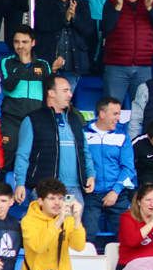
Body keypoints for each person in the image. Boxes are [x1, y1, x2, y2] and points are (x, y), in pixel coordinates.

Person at [14, 74, 95, 206]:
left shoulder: (75, 119)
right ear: (51, 93)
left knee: (70, 226)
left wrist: (91, 174)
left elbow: (85, 150)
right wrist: (20, 183)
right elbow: (23, 155)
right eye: (65, 91)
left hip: (73, 189)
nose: (70, 95)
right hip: (46, 189)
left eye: (70, 90)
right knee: (48, 226)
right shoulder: (33, 119)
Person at [101, 0, 153, 106]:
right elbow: (105, 29)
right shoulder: (111, 2)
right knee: (112, 110)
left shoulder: (149, 2)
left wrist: (150, 8)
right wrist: (118, 7)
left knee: (142, 111)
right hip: (115, 67)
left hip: (143, 67)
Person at [82, 97, 136, 242]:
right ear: (102, 113)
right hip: (91, 194)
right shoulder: (83, 134)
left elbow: (129, 169)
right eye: (115, 114)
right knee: (86, 237)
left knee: (128, 237)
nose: (118, 118)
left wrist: (115, 191)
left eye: (119, 114)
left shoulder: (122, 136)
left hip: (118, 195)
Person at [33, 0, 94, 87]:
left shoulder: (82, 3)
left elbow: (89, 31)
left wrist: (74, 18)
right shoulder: (43, 2)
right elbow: (42, 25)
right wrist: (64, 18)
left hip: (74, 63)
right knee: (46, 102)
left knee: (64, 102)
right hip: (48, 61)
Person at [0, 25, 51, 170]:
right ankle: (2, 191)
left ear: (33, 43)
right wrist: (22, 65)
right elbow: (9, 86)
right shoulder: (6, 62)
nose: (20, 46)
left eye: (24, 42)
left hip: (35, 119)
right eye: (17, 42)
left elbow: (48, 92)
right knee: (8, 155)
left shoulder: (43, 64)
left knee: (35, 157)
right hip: (11, 119)